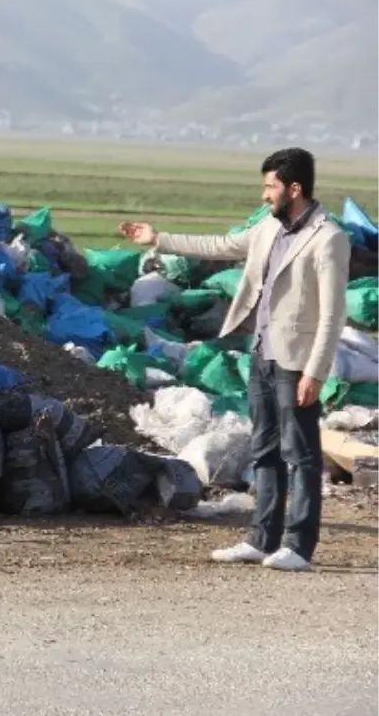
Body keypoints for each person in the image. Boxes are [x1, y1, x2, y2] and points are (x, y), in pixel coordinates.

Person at [120, 147, 350, 571]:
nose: (264, 195)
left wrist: (315, 372)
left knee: (301, 455)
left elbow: (333, 315)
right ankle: (262, 540)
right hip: (261, 354)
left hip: (297, 361)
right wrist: (158, 238)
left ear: (294, 189)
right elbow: (222, 245)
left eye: (270, 187)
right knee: (264, 450)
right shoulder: (267, 228)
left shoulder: (328, 238)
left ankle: (298, 548)